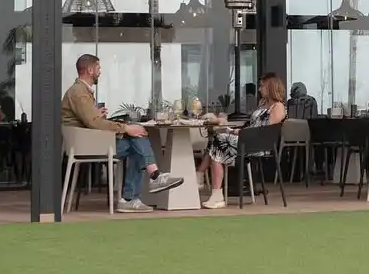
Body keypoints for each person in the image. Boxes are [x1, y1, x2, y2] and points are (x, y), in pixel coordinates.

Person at [61, 54, 184, 213]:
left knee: (136, 143)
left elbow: (88, 119)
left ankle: (134, 195)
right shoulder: (78, 92)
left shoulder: (80, 91)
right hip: (87, 147)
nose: (100, 72)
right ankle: (148, 182)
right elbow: (93, 123)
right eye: (98, 68)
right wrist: (126, 128)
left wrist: (97, 114)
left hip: (89, 143)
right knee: (135, 134)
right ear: (90, 70)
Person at [202, 72, 287, 209]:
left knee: (218, 141)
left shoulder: (278, 107)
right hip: (248, 140)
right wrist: (238, 131)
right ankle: (213, 191)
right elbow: (254, 125)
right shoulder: (263, 104)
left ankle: (205, 182)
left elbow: (266, 131)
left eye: (262, 86)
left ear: (270, 87)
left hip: (259, 145)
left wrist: (241, 133)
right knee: (217, 140)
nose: (259, 89)